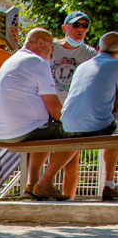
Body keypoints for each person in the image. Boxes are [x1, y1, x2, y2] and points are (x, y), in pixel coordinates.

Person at [28, 32, 118, 201]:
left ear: (98, 49)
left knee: (78, 133)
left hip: (66, 120)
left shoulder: (83, 66)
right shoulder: (116, 65)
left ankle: (43, 182)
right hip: (93, 124)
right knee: (114, 133)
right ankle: (109, 184)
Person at [22, 11, 97, 198]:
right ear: (65, 27)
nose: (80, 29)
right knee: (42, 146)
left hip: (73, 109)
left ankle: (66, 200)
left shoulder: (89, 53)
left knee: (72, 161)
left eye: (84, 25)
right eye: (75, 25)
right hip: (47, 106)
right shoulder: (51, 47)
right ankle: (33, 186)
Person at [0, 28, 69, 200]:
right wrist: (75, 123)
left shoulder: (12, 60)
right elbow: (54, 107)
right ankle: (45, 183)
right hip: (25, 130)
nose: (53, 51)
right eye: (51, 46)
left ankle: (32, 185)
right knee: (76, 134)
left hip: (2, 133)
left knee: (47, 130)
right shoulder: (37, 62)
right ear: (40, 43)